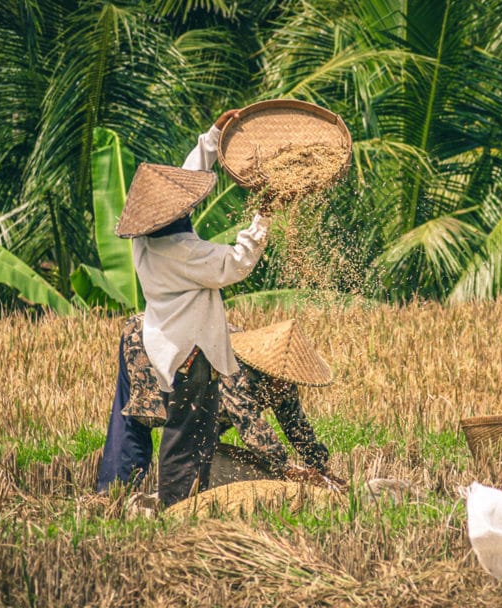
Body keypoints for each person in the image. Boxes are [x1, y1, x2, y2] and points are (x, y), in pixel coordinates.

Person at [113, 109, 271, 507]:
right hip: (191, 352)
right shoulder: (182, 251)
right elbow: (237, 263)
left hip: (169, 345)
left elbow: (183, 183)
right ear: (171, 217)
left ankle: (190, 504)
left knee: (191, 429)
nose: (186, 209)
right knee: (186, 435)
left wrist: (212, 139)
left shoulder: (146, 240)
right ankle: (177, 508)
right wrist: (264, 217)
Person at [96, 315, 345, 493]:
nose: (285, 388)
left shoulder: (284, 381)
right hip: (150, 338)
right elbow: (252, 428)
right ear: (268, 372)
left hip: (192, 350)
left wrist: (320, 468)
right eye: (280, 382)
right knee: (141, 418)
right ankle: (114, 493)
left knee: (205, 432)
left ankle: (189, 492)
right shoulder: (237, 367)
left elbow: (296, 426)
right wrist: (288, 470)